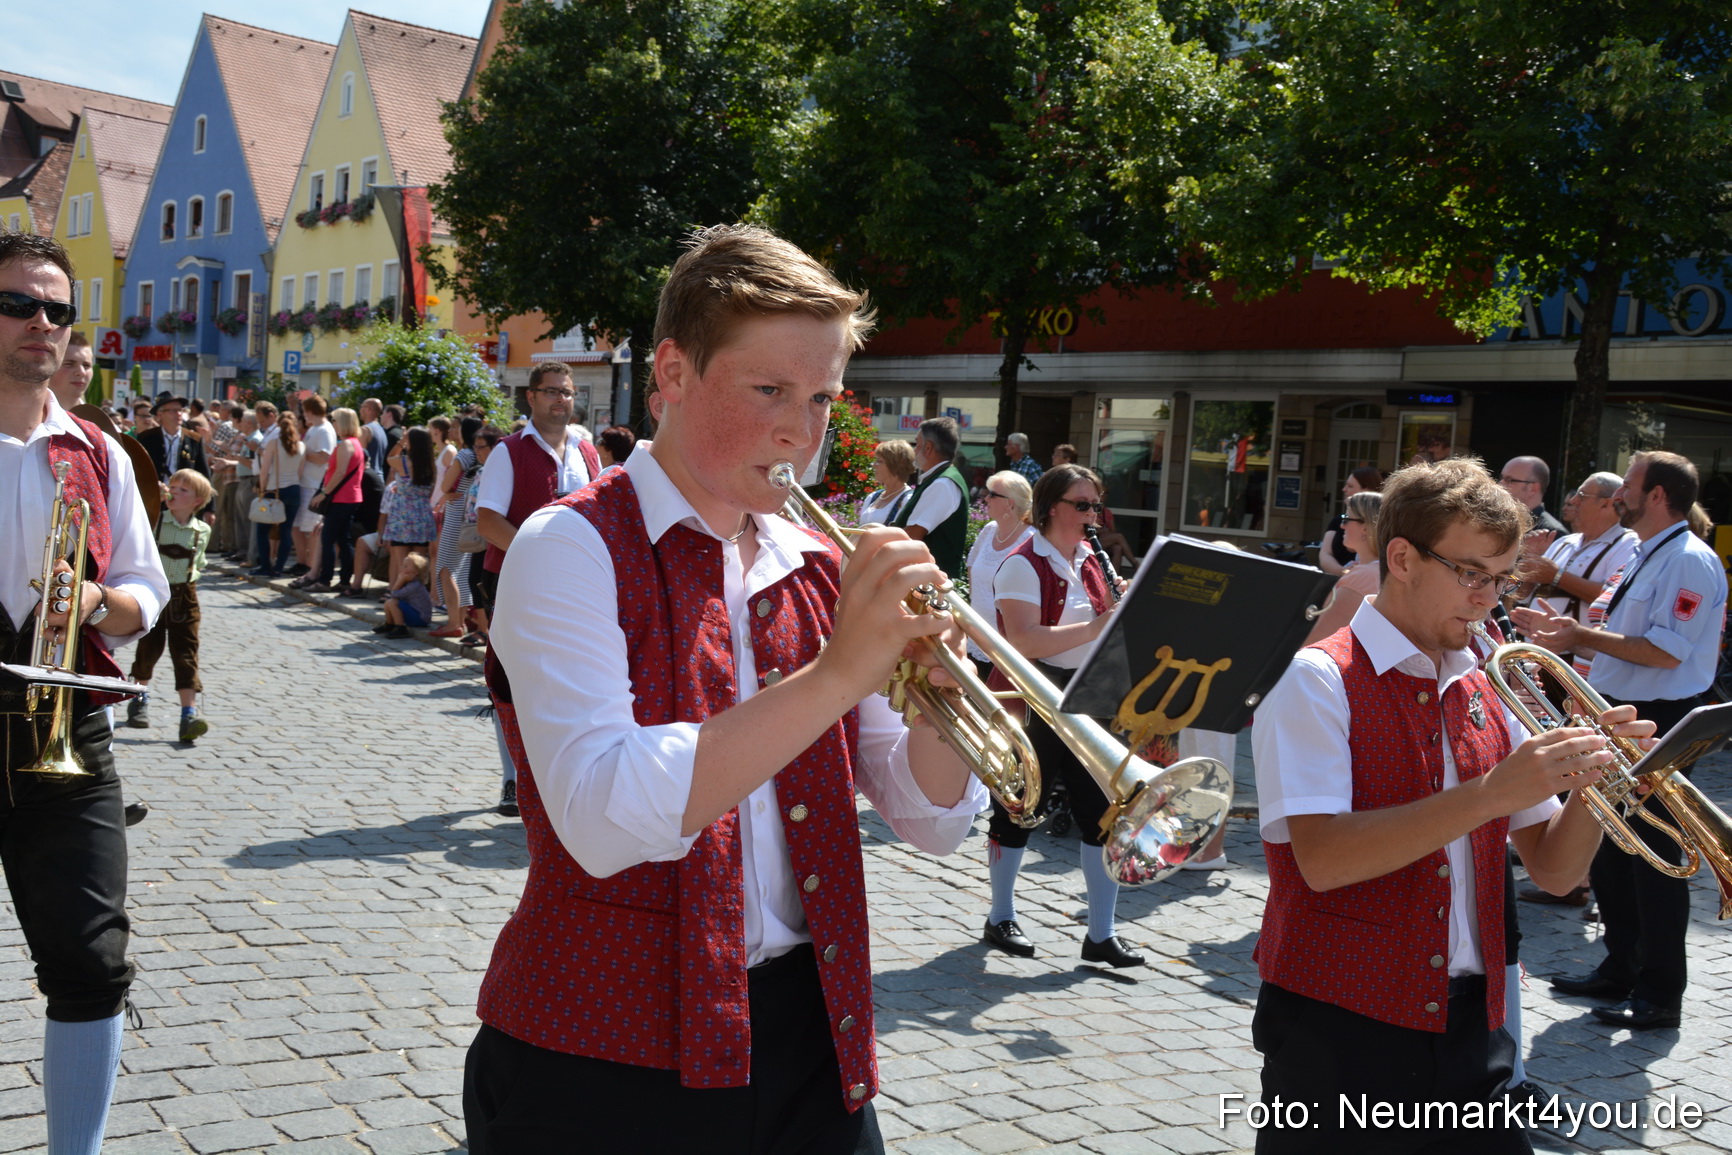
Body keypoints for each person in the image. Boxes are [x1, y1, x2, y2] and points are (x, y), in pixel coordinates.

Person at [464, 224, 985, 1154]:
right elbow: (600, 812)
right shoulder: (567, 545)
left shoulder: (818, 564)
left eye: (823, 395)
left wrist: (944, 698)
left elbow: (929, 817)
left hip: (810, 1036)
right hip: (598, 1055)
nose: (803, 428)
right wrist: (838, 673)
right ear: (670, 373)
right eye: (770, 390)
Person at [1249, 456, 1646, 1154]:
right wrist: (1491, 793)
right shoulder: (1315, 680)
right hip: (1338, 1033)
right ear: (1400, 557)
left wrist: (1595, 785)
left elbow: (1554, 870)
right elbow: (1322, 858)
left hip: (1473, 1029)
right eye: (1471, 575)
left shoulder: (1489, 686)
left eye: (1501, 579)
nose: (1488, 599)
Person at [0, 231, 170, 1155]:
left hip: (66, 734)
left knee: (92, 963)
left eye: (58, 310)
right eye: (19, 304)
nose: (42, 323)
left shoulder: (97, 454)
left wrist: (100, 599)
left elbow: (151, 589)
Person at [1515, 450, 1727, 1031]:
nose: (1618, 496)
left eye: (1628, 485)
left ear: (1656, 495)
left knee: (1655, 855)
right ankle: (1620, 966)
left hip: (1660, 718)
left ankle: (1661, 992)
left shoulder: (1686, 561)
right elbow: (1626, 634)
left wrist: (1579, 634)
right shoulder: (1650, 553)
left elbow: (1665, 651)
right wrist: (1571, 637)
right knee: (1610, 843)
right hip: (1618, 710)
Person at [981, 464, 1144, 967]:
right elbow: (1024, 640)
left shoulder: (1092, 560)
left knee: (1103, 813)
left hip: (1090, 694)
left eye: (1097, 505)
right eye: (1083, 505)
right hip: (1034, 694)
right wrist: (1099, 626)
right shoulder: (1022, 564)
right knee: (1018, 807)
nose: (1093, 515)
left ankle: (1101, 933)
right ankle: (1001, 914)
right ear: (1054, 508)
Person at [125, 469, 212, 742]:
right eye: (173, 486)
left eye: (183, 490)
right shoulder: (156, 519)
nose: (174, 491)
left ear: (197, 501)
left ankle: (189, 714)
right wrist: (154, 495)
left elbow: (199, 563)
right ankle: (139, 698)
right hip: (155, 593)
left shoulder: (202, 530)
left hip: (185, 597)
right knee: (148, 649)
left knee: (186, 653)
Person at [1520, 471, 1635, 624]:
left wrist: (1557, 576)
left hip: (1580, 647)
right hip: (1534, 645)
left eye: (1582, 495)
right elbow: (1520, 596)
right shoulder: (1564, 542)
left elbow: (1615, 598)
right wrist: (1528, 563)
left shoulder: (1629, 544)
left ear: (1606, 503)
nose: (1573, 501)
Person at [963, 469, 1034, 672]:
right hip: (976, 636)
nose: (985, 498)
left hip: (1007, 644)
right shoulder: (989, 530)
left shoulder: (1030, 539)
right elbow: (971, 566)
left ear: (1010, 503)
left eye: (992, 494)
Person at [891, 416, 970, 580]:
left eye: (917, 443)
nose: (914, 449)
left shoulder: (943, 484)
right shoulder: (941, 479)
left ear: (928, 448)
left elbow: (911, 536)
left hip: (929, 585)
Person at [297, 406, 365, 593]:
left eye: (335, 421)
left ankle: (325, 579)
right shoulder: (356, 443)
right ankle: (343, 580)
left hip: (341, 498)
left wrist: (324, 493)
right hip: (350, 497)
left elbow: (340, 472)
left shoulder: (346, 445)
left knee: (328, 539)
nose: (333, 424)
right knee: (344, 540)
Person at [1303, 489, 1383, 644]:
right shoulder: (1375, 571)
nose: (1341, 526)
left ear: (1365, 527)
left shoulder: (1364, 576)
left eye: (1346, 519)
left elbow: (1319, 638)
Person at [431, 416, 484, 637]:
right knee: (462, 572)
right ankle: (460, 620)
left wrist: (450, 492)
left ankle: (453, 623)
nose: (453, 431)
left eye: (457, 428)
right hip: (470, 514)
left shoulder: (465, 455)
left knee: (445, 568)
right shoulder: (481, 456)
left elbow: (445, 485)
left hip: (455, 513)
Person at [251, 413, 304, 578]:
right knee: (286, 530)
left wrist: (262, 489)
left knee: (262, 529)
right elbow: (300, 472)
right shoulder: (302, 446)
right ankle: (279, 568)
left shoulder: (274, 443)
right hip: (294, 490)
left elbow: (264, 471)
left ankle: (266, 566)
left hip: (274, 490)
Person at [1320, 465, 1383, 577]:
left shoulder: (1381, 523)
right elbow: (1325, 553)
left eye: (1350, 486)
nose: (1344, 489)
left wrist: (1352, 576)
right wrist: (1344, 573)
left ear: (1367, 490)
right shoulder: (1338, 520)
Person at [134, 395, 209, 484]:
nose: (179, 414)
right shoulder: (146, 438)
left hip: (183, 495)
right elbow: (138, 470)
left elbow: (203, 473)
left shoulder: (194, 439)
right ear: (160, 414)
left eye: (181, 410)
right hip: (155, 493)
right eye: (173, 410)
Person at [1498, 454, 1567, 544]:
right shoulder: (1499, 522)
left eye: (1510, 480)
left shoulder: (1552, 534)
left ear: (1533, 488)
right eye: (1501, 478)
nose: (1500, 485)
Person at [375, 550, 433, 639]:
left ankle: (400, 628)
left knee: (392, 602)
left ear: (416, 572)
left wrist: (399, 581)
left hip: (420, 618)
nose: (402, 568)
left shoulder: (414, 585)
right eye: (402, 565)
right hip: (414, 614)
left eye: (405, 566)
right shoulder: (409, 583)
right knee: (388, 602)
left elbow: (394, 595)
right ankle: (389, 624)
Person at [857, 439, 916, 526]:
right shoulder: (872, 497)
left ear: (896, 466)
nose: (874, 465)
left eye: (880, 461)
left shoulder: (907, 500)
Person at [48, 330, 93, 411]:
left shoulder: (99, 422)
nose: (81, 372)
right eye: (69, 364)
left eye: (86, 365)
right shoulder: (26, 419)